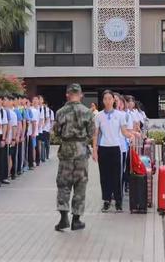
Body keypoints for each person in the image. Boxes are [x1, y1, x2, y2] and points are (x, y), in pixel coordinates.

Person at [53, 83, 95, 232]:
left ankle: (63, 217)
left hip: (66, 151)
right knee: (80, 183)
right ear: (81, 95)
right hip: (81, 151)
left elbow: (56, 132)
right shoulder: (87, 112)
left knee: (63, 183)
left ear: (67, 95)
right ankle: (76, 219)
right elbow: (91, 133)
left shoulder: (60, 112)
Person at [92, 90, 133, 212]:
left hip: (116, 148)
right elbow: (96, 134)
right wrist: (94, 150)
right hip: (103, 148)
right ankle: (106, 200)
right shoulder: (98, 115)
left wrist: (131, 135)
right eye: (105, 99)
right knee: (104, 176)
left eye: (110, 98)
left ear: (113, 100)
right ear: (103, 101)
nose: (108, 101)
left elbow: (124, 131)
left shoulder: (120, 115)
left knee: (117, 175)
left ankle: (118, 202)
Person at [0, 93, 10, 184]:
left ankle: (1, 177)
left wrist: (4, 138)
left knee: (1, 158)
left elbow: (5, 125)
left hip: (0, 136)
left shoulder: (2, 111)